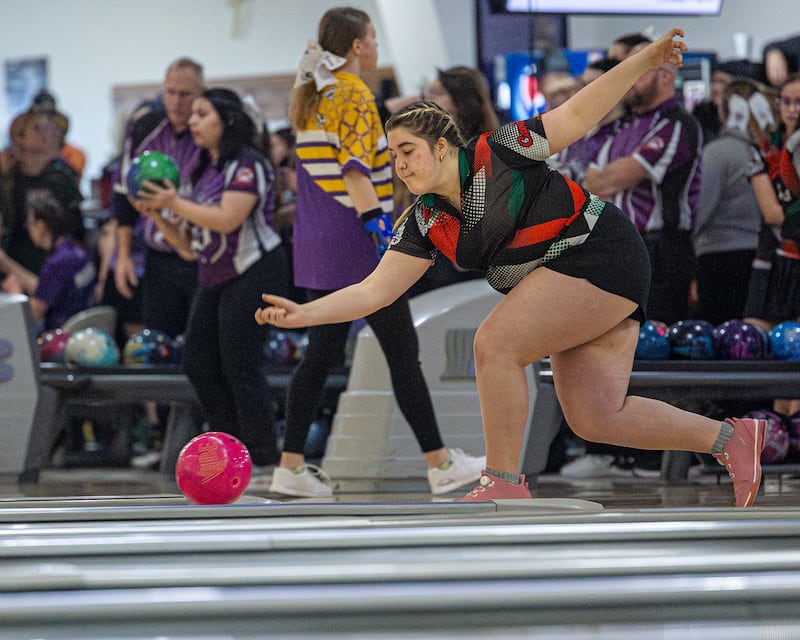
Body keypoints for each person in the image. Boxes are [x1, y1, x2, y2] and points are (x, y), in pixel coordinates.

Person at [256, 28, 767, 509]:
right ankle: (731, 438)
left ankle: (502, 482)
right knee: (594, 416)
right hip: (573, 276)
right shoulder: (425, 221)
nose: (400, 166)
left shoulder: (501, 150)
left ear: (441, 146)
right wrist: (303, 315)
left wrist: (647, 59)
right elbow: (372, 293)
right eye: (392, 157)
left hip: (601, 253)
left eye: (407, 151)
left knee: (494, 344)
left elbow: (580, 113)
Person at [270, 6, 484, 498]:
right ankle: (440, 463)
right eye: (373, 37)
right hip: (354, 238)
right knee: (402, 353)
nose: (376, 47)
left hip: (315, 236)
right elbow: (354, 170)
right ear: (358, 46)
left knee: (321, 353)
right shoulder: (352, 93)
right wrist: (380, 227)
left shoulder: (311, 93)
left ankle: (291, 465)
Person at [133, 87, 289, 469]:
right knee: (198, 364)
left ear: (228, 120)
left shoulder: (248, 163)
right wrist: (156, 214)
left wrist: (172, 203)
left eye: (203, 114)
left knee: (240, 366)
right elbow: (188, 247)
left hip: (254, 268)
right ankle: (230, 447)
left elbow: (227, 219)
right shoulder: (204, 169)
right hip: (215, 272)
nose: (193, 121)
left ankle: (264, 458)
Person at [113, 58, 204, 466]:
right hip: (158, 258)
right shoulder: (144, 128)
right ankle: (167, 444)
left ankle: (205, 440)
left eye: (185, 93)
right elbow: (122, 197)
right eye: (170, 91)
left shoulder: (207, 130)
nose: (177, 100)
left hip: (201, 256)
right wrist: (121, 256)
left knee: (200, 349)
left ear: (199, 93)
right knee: (158, 347)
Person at [584, 41, 702, 328]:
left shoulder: (676, 124)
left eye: (640, 70)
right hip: (622, 245)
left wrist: (611, 175)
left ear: (666, 77)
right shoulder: (624, 125)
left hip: (661, 249)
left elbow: (616, 176)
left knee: (656, 334)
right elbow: (591, 181)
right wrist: (610, 176)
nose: (630, 80)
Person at [692, 79, 771, 326]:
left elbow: (700, 210)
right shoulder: (768, 153)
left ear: (724, 112)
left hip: (719, 259)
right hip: (758, 257)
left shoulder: (717, 152)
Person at [1, 109, 84, 276]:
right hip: (13, 266)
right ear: (19, 135)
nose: (45, 135)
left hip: (55, 267)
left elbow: (77, 228)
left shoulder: (62, 175)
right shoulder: (8, 179)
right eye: (37, 128)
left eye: (49, 128)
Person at [0, 189, 95, 334]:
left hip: (61, 339)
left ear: (40, 225)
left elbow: (34, 313)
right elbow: (45, 289)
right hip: (86, 330)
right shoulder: (76, 250)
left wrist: (16, 294)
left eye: (29, 224)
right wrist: (6, 264)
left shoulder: (57, 263)